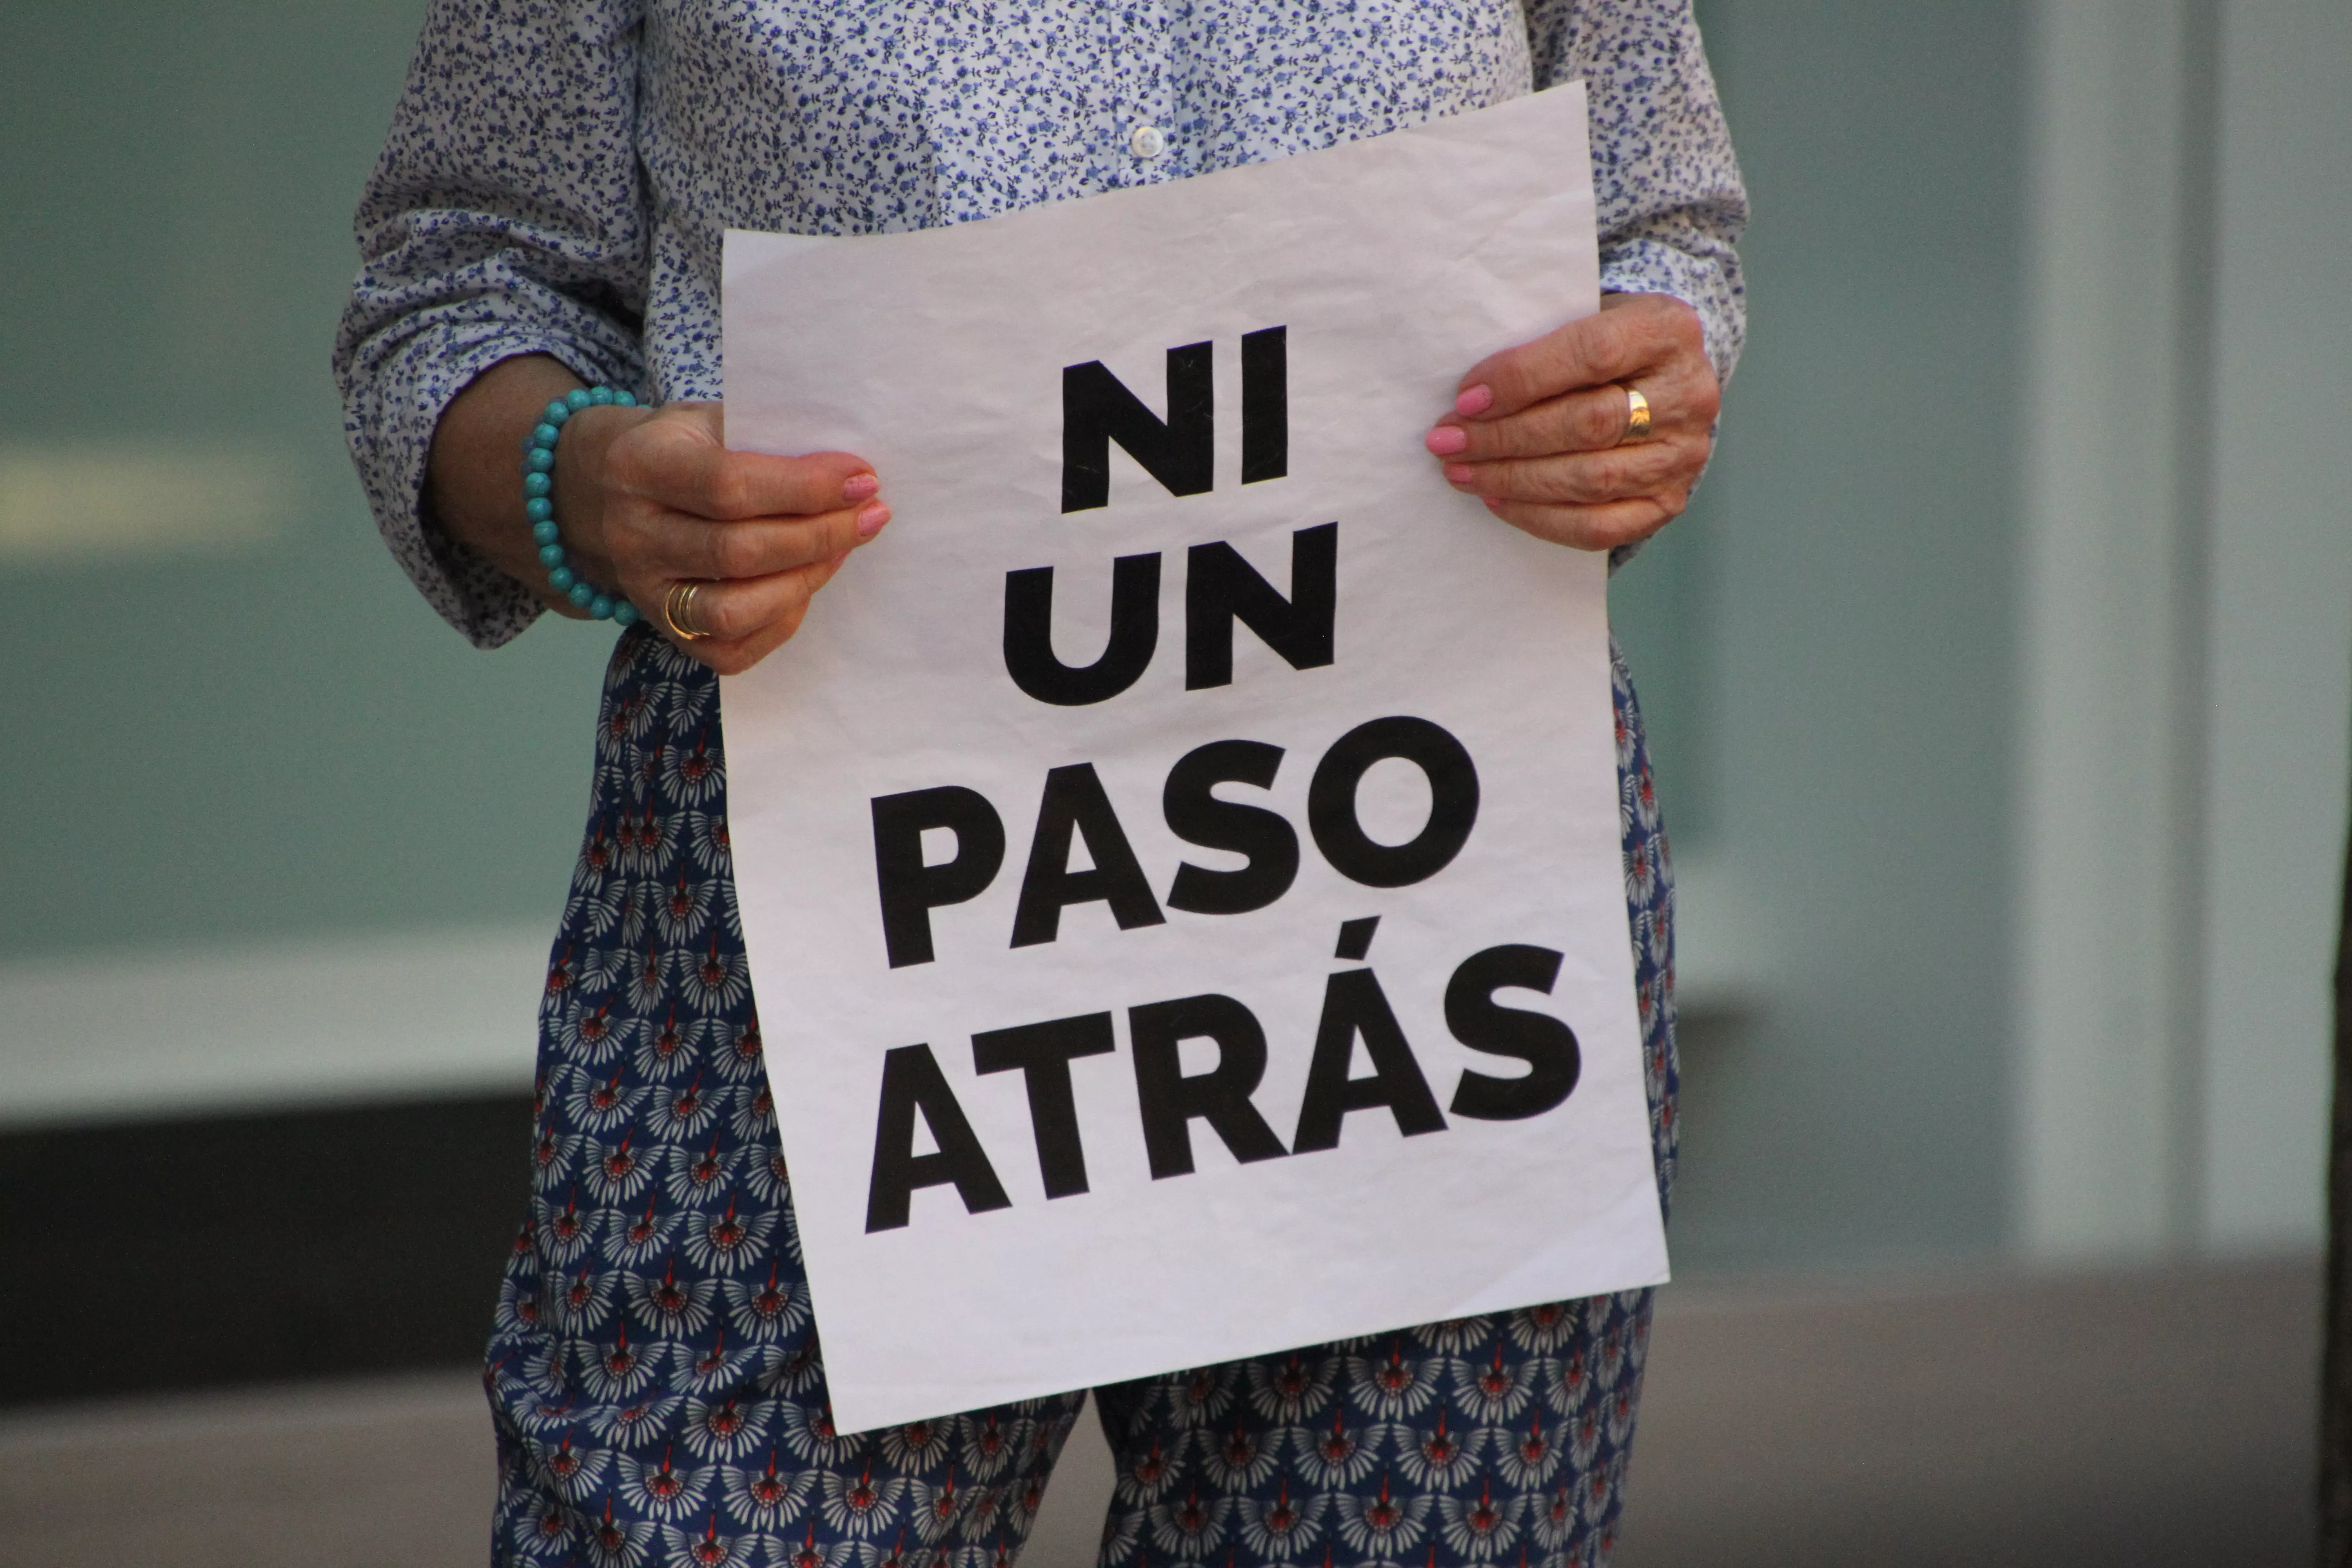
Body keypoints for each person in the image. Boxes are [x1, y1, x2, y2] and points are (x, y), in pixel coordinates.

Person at [334, 3, 1744, 1563]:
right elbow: (453, 291)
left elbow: (1660, 222)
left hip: (1420, 916)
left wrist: (1634, 403)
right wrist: (586, 486)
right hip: (829, 919)